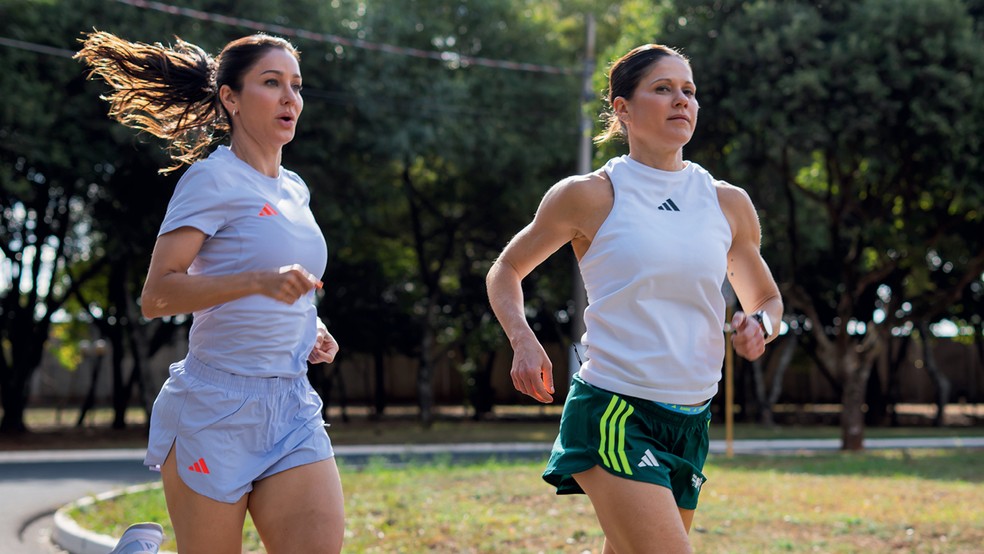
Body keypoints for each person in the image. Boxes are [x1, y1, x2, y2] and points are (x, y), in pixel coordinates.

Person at [486, 44, 783, 553]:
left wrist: (761, 327)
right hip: (615, 409)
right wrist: (523, 339)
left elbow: (768, 299)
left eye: (688, 91)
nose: (681, 101)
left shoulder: (727, 203)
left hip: (691, 420)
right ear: (621, 109)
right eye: (663, 89)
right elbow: (506, 269)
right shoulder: (590, 195)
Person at [76, 31, 345, 554]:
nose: (291, 98)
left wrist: (311, 326)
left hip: (290, 406)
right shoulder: (211, 179)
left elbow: (290, 286)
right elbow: (157, 296)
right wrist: (258, 283)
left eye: (297, 85)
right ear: (231, 97)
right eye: (272, 83)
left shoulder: (294, 189)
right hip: (215, 410)